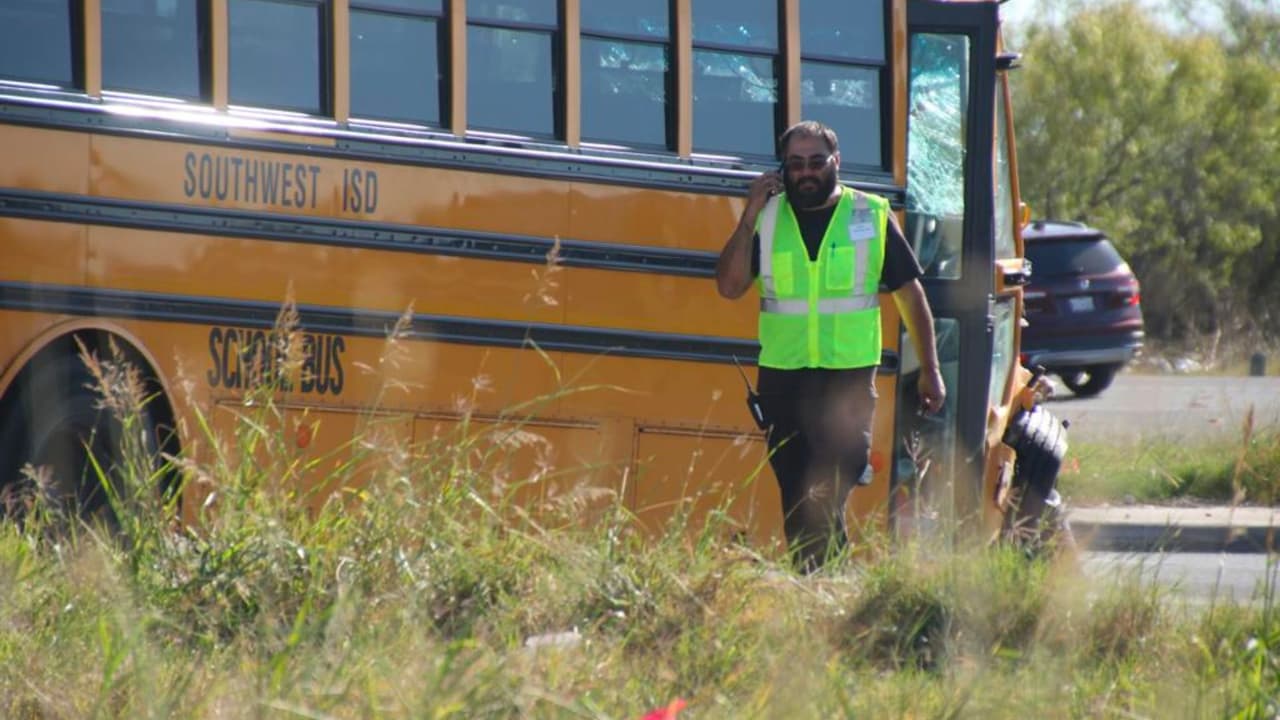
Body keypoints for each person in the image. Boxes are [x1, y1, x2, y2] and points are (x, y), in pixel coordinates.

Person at [715, 120, 946, 572]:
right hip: (784, 383)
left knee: (826, 489)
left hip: (848, 384)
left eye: (816, 162)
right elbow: (729, 286)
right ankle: (827, 591)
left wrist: (931, 370)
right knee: (799, 497)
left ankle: (823, 588)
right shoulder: (766, 217)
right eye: (796, 164)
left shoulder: (871, 214)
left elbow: (910, 295)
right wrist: (747, 219)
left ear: (836, 162)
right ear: (784, 169)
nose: (806, 172)